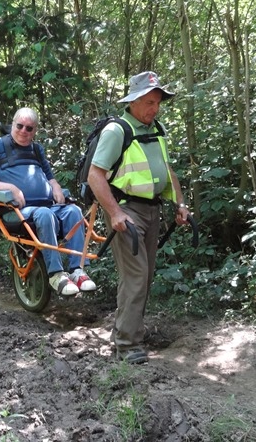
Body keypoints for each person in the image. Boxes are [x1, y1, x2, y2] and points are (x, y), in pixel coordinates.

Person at [87, 71, 190, 364]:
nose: (154, 108)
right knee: (136, 276)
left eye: (157, 102)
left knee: (142, 278)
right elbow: (96, 176)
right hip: (126, 211)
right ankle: (127, 344)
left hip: (152, 209)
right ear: (133, 101)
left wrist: (180, 204)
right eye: (148, 102)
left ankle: (125, 332)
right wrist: (115, 213)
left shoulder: (155, 129)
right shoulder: (117, 131)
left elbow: (167, 171)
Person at [0, 107, 97, 296]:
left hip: (47, 206)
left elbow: (50, 177)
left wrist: (56, 186)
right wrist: (12, 188)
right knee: (44, 214)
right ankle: (55, 273)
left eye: (29, 128)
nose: (23, 131)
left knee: (74, 211)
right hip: (16, 210)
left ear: (35, 131)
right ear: (13, 124)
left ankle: (78, 270)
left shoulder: (36, 149)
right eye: (20, 126)